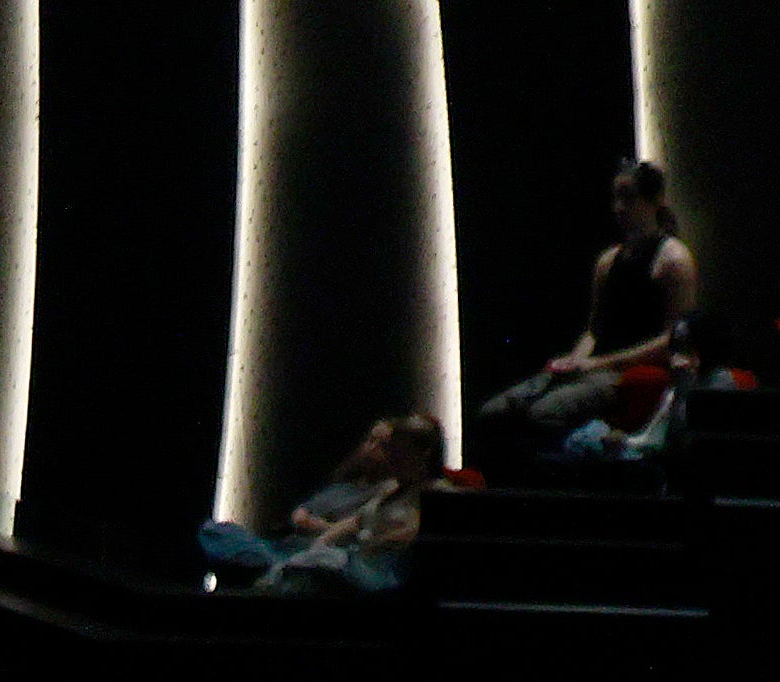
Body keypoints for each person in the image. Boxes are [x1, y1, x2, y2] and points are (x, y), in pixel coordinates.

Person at [476, 161, 698, 462]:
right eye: (616, 198)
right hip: (596, 367)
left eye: (629, 198)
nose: (619, 208)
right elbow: (595, 330)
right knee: (493, 413)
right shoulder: (608, 262)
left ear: (655, 200)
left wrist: (596, 364)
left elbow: (674, 339)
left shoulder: (672, 260)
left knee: (541, 415)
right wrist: (576, 360)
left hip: (624, 371)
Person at [198, 412, 446, 595]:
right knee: (217, 533)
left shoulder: (435, 494)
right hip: (344, 557)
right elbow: (353, 523)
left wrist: (367, 542)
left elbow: (411, 536)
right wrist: (320, 544)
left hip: (380, 570)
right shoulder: (391, 489)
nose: (391, 456)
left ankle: (275, 577)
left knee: (324, 564)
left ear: (422, 452)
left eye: (397, 450)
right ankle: (281, 570)